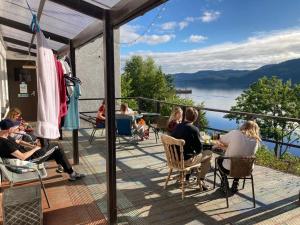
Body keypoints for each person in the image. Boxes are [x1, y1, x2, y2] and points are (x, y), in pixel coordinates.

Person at [0, 125, 85, 181]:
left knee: (55, 150)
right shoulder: (4, 143)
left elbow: (18, 141)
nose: (17, 129)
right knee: (56, 146)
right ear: (7, 129)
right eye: (15, 128)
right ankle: (70, 172)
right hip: (29, 161)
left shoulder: (5, 137)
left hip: (29, 155)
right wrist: (36, 148)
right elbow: (22, 157)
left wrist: (31, 145)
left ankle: (67, 170)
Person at [171, 107, 212, 190]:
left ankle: (186, 176)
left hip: (173, 159)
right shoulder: (194, 129)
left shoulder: (177, 126)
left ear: (185, 116)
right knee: (209, 154)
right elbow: (199, 150)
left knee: (191, 153)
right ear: (195, 118)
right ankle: (201, 180)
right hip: (185, 161)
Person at [214, 120, 261, 193]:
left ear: (244, 126)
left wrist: (215, 137)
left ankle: (224, 181)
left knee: (219, 159)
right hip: (246, 170)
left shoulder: (236, 133)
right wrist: (226, 147)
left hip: (229, 169)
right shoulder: (256, 140)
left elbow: (221, 139)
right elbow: (241, 150)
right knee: (240, 160)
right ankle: (235, 183)